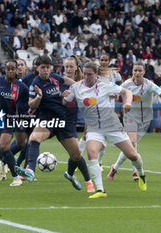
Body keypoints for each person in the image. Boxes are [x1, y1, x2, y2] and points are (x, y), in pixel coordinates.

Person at [64, 61, 147, 198]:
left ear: (96, 74)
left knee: (132, 155)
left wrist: (127, 102)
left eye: (89, 74)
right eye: (84, 74)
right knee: (92, 154)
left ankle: (142, 174)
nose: (86, 77)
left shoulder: (105, 85)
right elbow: (64, 101)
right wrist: (63, 96)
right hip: (93, 128)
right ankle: (100, 190)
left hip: (112, 125)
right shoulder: (76, 87)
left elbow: (127, 92)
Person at [14, 55, 90, 193]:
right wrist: (39, 96)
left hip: (64, 120)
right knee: (33, 138)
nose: (45, 70)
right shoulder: (35, 84)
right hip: (48, 120)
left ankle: (87, 182)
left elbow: (66, 80)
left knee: (76, 155)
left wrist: (78, 88)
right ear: (37, 68)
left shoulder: (55, 78)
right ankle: (30, 170)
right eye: (42, 68)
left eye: (47, 67)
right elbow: (31, 104)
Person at [108, 61, 161, 181]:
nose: (137, 73)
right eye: (135, 70)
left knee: (131, 146)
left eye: (140, 70)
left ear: (144, 72)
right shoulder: (127, 84)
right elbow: (117, 93)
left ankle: (114, 167)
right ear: (132, 71)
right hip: (130, 117)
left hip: (145, 119)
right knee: (132, 142)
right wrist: (113, 96)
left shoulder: (149, 85)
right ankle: (135, 172)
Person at [60, 55, 95, 192]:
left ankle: (80, 179)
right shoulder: (59, 81)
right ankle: (21, 170)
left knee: (76, 153)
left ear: (76, 68)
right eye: (66, 66)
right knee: (30, 141)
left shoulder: (82, 84)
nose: (68, 69)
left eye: (70, 66)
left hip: (68, 122)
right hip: (54, 121)